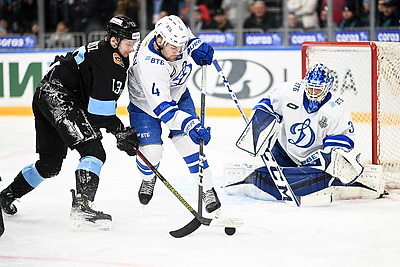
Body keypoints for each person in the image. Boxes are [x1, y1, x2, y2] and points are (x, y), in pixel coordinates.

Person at [0, 16, 140, 228]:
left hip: (45, 94)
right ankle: (82, 206)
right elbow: (98, 114)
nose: (131, 49)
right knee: (94, 151)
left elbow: (96, 111)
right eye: (129, 44)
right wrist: (120, 130)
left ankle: (5, 196)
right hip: (60, 98)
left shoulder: (106, 52)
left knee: (49, 165)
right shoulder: (111, 61)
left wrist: (118, 130)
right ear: (114, 41)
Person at [224, 63, 385, 205]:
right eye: (310, 87)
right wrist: (260, 125)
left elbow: (343, 144)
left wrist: (325, 160)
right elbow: (266, 106)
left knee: (327, 172)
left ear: (327, 87)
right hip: (284, 150)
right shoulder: (288, 91)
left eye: (318, 89)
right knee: (284, 169)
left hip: (315, 159)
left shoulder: (336, 109)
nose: (313, 93)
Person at [126, 15, 221, 213]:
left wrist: (196, 45)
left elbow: (187, 33)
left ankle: (208, 189)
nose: (178, 53)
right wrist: (191, 125)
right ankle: (148, 177)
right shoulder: (149, 63)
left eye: (181, 46)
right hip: (145, 105)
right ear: (159, 41)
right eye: (174, 48)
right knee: (152, 152)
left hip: (178, 95)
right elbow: (166, 112)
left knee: (190, 144)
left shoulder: (173, 34)